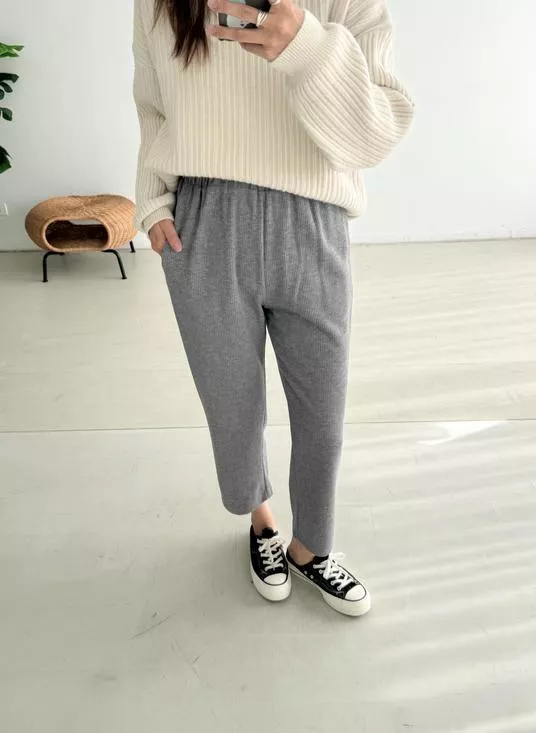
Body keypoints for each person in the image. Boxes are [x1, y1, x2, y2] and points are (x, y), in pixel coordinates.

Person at [132, 0, 414, 617]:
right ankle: (261, 523)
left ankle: (311, 547)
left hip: (311, 220)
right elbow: (153, 105)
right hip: (205, 223)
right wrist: (152, 202)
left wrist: (307, 48)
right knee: (232, 404)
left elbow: (376, 135)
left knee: (323, 412)